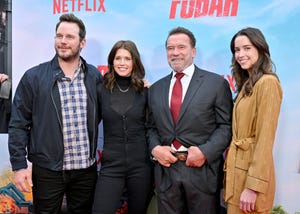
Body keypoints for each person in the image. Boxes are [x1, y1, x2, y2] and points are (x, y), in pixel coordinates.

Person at [8, 13, 102, 214]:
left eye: (70, 37)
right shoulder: (34, 77)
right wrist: (19, 165)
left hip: (85, 170)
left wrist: (140, 87)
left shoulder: (94, 76)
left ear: (82, 42)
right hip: (48, 170)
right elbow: (18, 124)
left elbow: (109, 109)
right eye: (59, 36)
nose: (63, 41)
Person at [147, 26, 233, 214]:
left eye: (181, 47)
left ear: (193, 52)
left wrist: (205, 151)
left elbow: (226, 126)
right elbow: (150, 127)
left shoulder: (216, 84)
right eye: (170, 48)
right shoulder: (155, 89)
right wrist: (155, 149)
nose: (175, 52)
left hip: (202, 173)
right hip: (166, 174)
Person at [223, 27, 283, 214]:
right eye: (237, 50)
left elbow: (265, 139)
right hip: (238, 174)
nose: (240, 54)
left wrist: (253, 187)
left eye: (247, 48)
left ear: (260, 48)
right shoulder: (248, 85)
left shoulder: (268, 83)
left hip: (251, 180)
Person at [92, 40, 153, 214]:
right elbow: (91, 125)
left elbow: (152, 128)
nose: (122, 63)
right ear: (112, 62)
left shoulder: (145, 91)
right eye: (118, 58)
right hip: (111, 165)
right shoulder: (100, 90)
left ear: (135, 62)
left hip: (141, 166)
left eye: (127, 58)